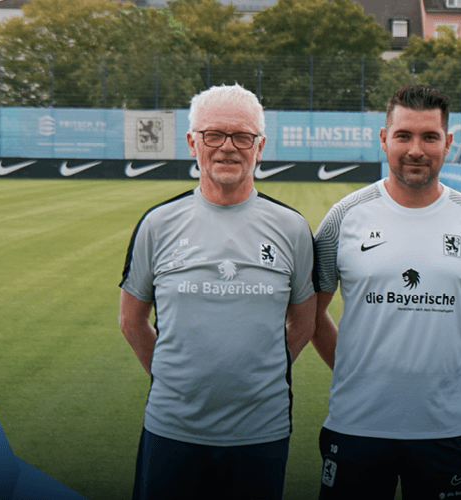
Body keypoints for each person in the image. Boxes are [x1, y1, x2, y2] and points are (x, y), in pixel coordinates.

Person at [310, 85, 461, 500]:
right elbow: (312, 314)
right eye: (403, 136)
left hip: (445, 429)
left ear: (448, 143)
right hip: (356, 425)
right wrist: (352, 366)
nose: (416, 149)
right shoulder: (343, 218)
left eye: (429, 136)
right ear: (383, 139)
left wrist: (443, 366)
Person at [118, 84, 317, 500]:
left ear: (259, 147)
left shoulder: (292, 228)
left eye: (242, 137)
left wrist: (261, 371)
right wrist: (176, 380)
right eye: (214, 135)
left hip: (262, 432)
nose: (228, 147)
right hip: (172, 428)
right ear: (193, 142)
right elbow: (131, 320)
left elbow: (305, 320)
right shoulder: (157, 224)